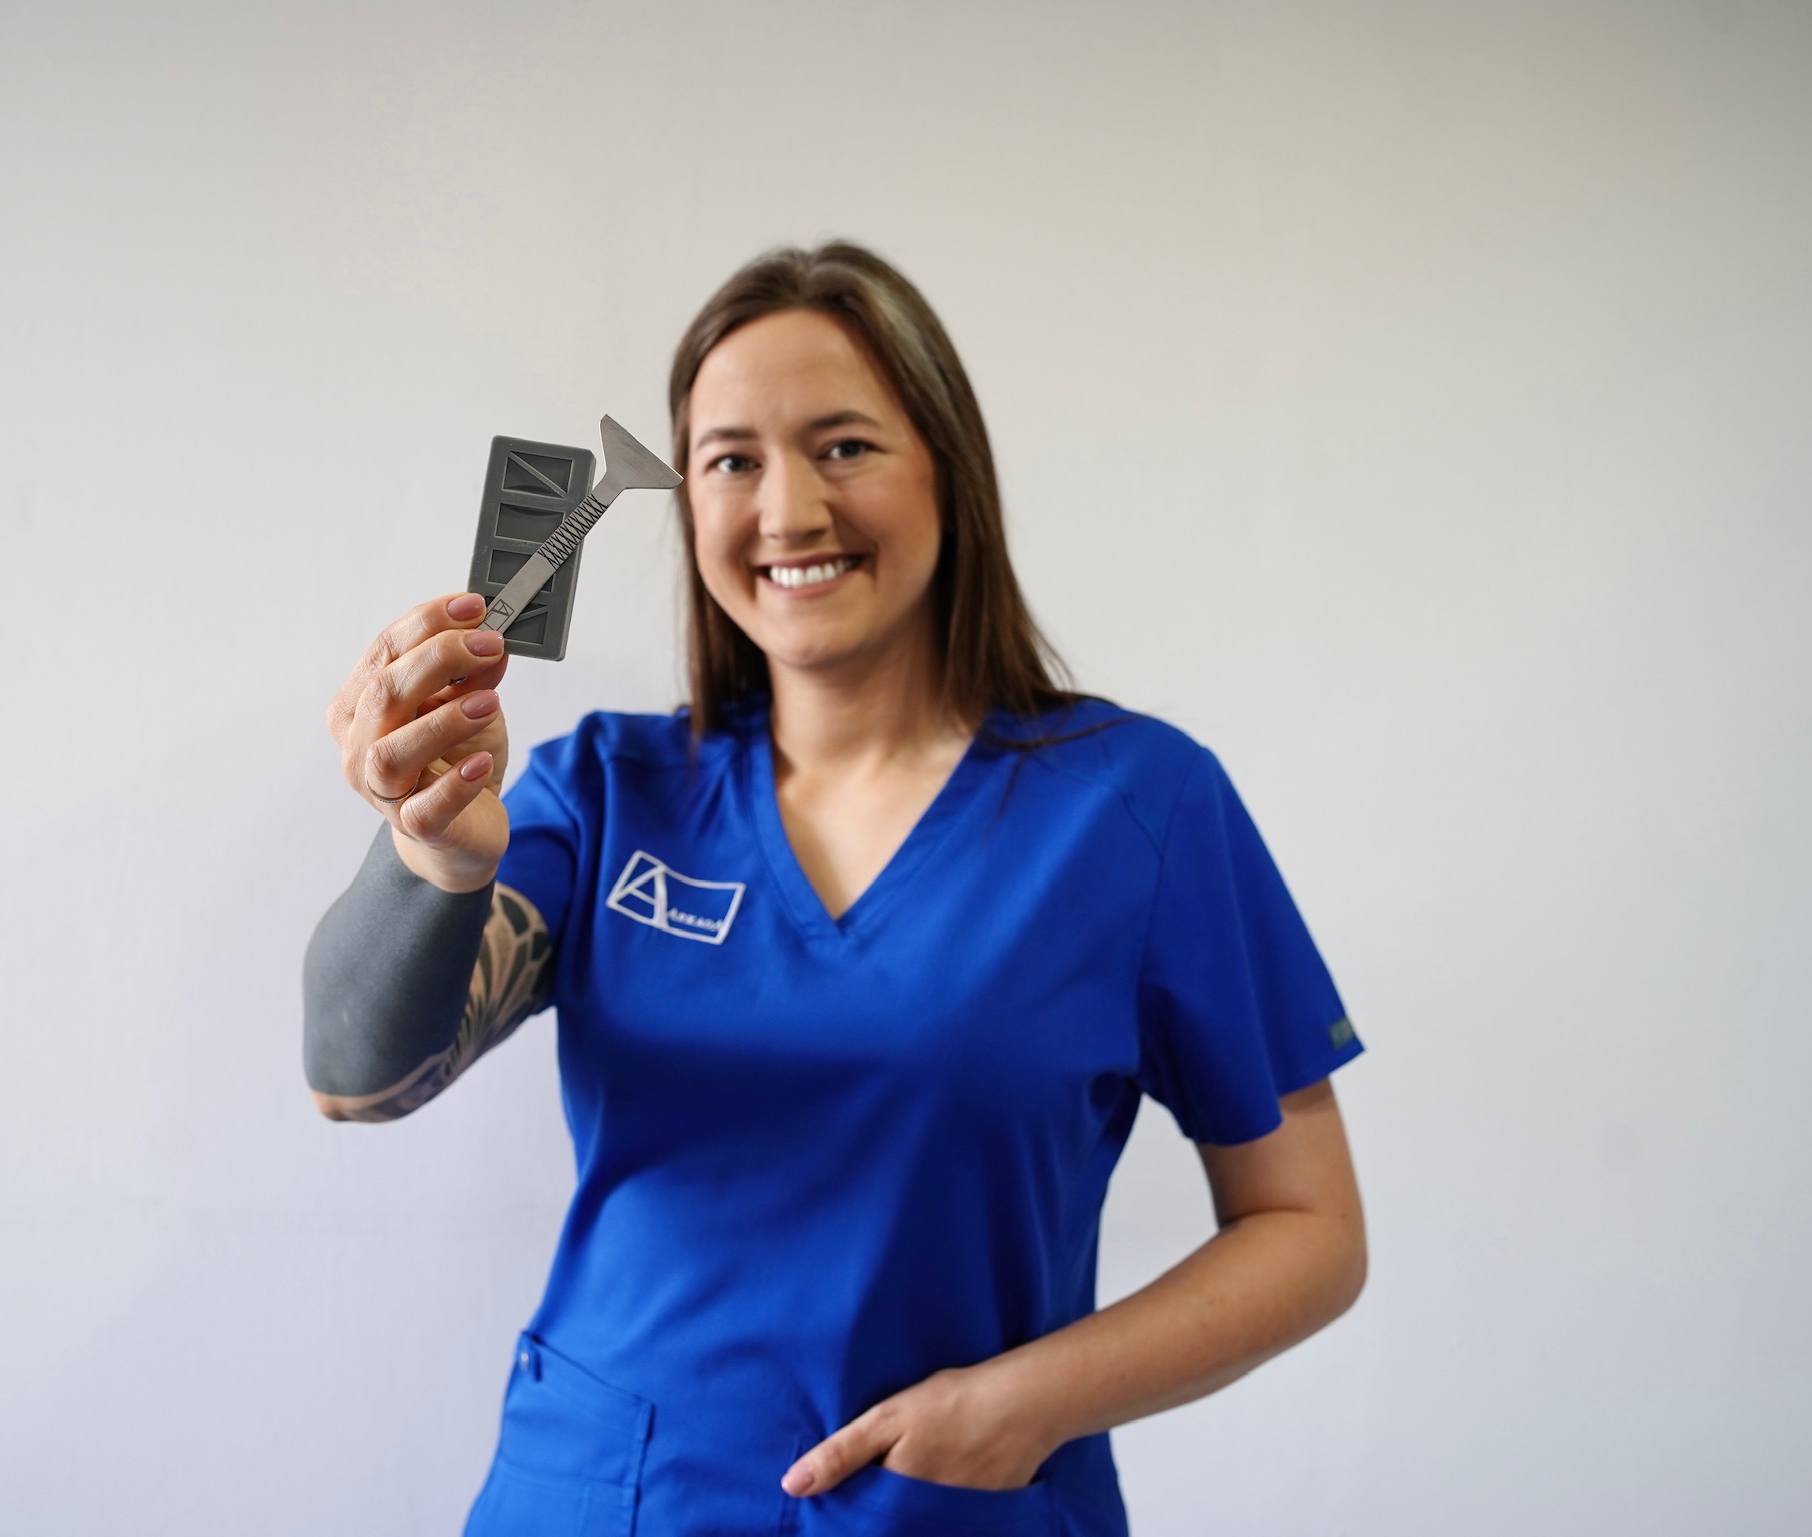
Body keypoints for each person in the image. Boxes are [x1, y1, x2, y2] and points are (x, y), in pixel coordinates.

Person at [304, 242, 1368, 1537]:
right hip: (606, 1499)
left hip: (950, 1510)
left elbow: (1309, 1224)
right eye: (731, 460)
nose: (789, 509)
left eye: (845, 446)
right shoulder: (608, 792)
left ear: (948, 470)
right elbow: (354, 1078)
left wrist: (1024, 1403)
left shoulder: (1137, 808)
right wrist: (438, 862)